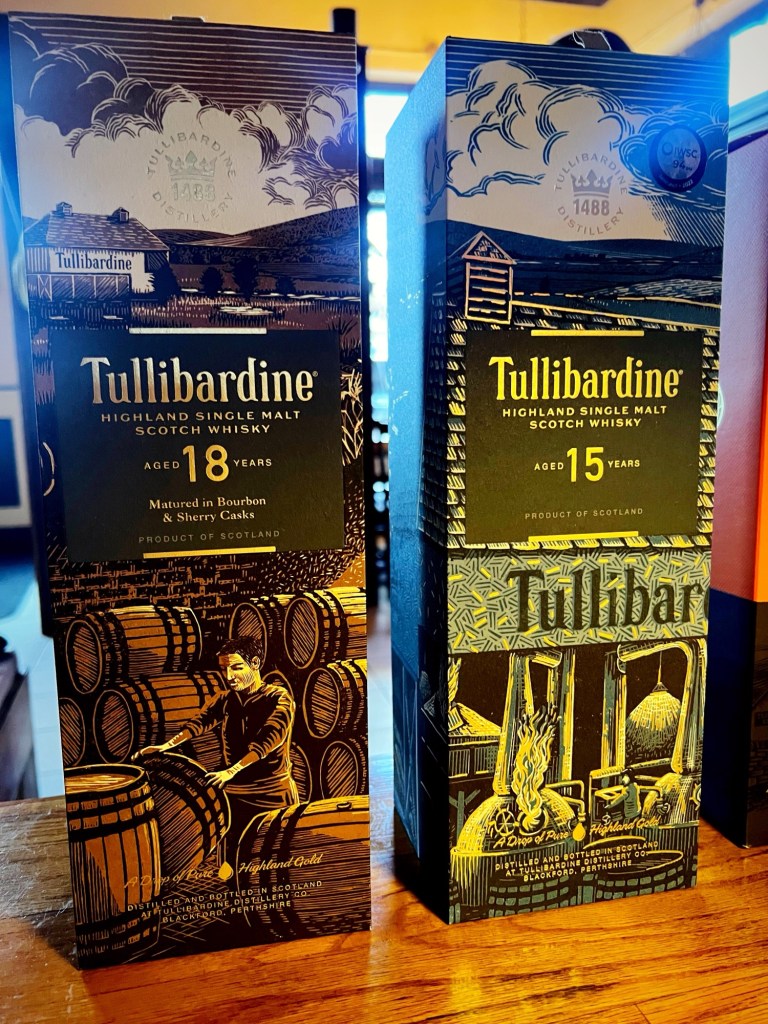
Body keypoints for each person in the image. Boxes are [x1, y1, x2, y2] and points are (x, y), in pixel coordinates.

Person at [136, 635, 298, 870]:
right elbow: (198, 723)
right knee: (228, 868)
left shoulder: (278, 698)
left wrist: (231, 771)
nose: (229, 676)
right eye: (224, 669)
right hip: (232, 797)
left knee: (270, 866)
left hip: (272, 795)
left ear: (255, 663)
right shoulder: (226, 699)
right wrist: (166, 746)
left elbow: (268, 740)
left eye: (236, 667)